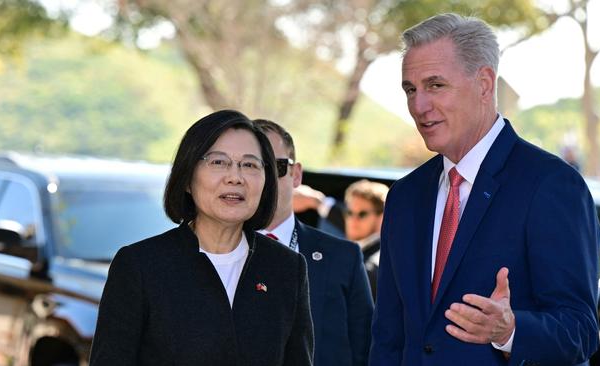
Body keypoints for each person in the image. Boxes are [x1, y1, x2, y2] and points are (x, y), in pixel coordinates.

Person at [370, 13, 600, 366]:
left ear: (484, 84)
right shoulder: (405, 196)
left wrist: (509, 331)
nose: (419, 106)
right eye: (410, 89)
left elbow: (579, 332)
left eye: (435, 85)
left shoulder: (551, 185)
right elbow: (388, 338)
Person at [90, 110, 313, 366]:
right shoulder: (140, 266)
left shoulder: (286, 269)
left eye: (250, 165)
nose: (235, 177)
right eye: (218, 162)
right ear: (187, 178)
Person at [254, 118, 373, 366]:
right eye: (251, 166)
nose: (264, 178)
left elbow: (367, 351)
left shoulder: (344, 257)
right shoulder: (213, 252)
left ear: (296, 174)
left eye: (275, 166)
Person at [343, 179, 389, 298]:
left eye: (362, 214)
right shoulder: (354, 254)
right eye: (349, 212)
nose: (353, 220)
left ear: (382, 217)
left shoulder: (375, 265)